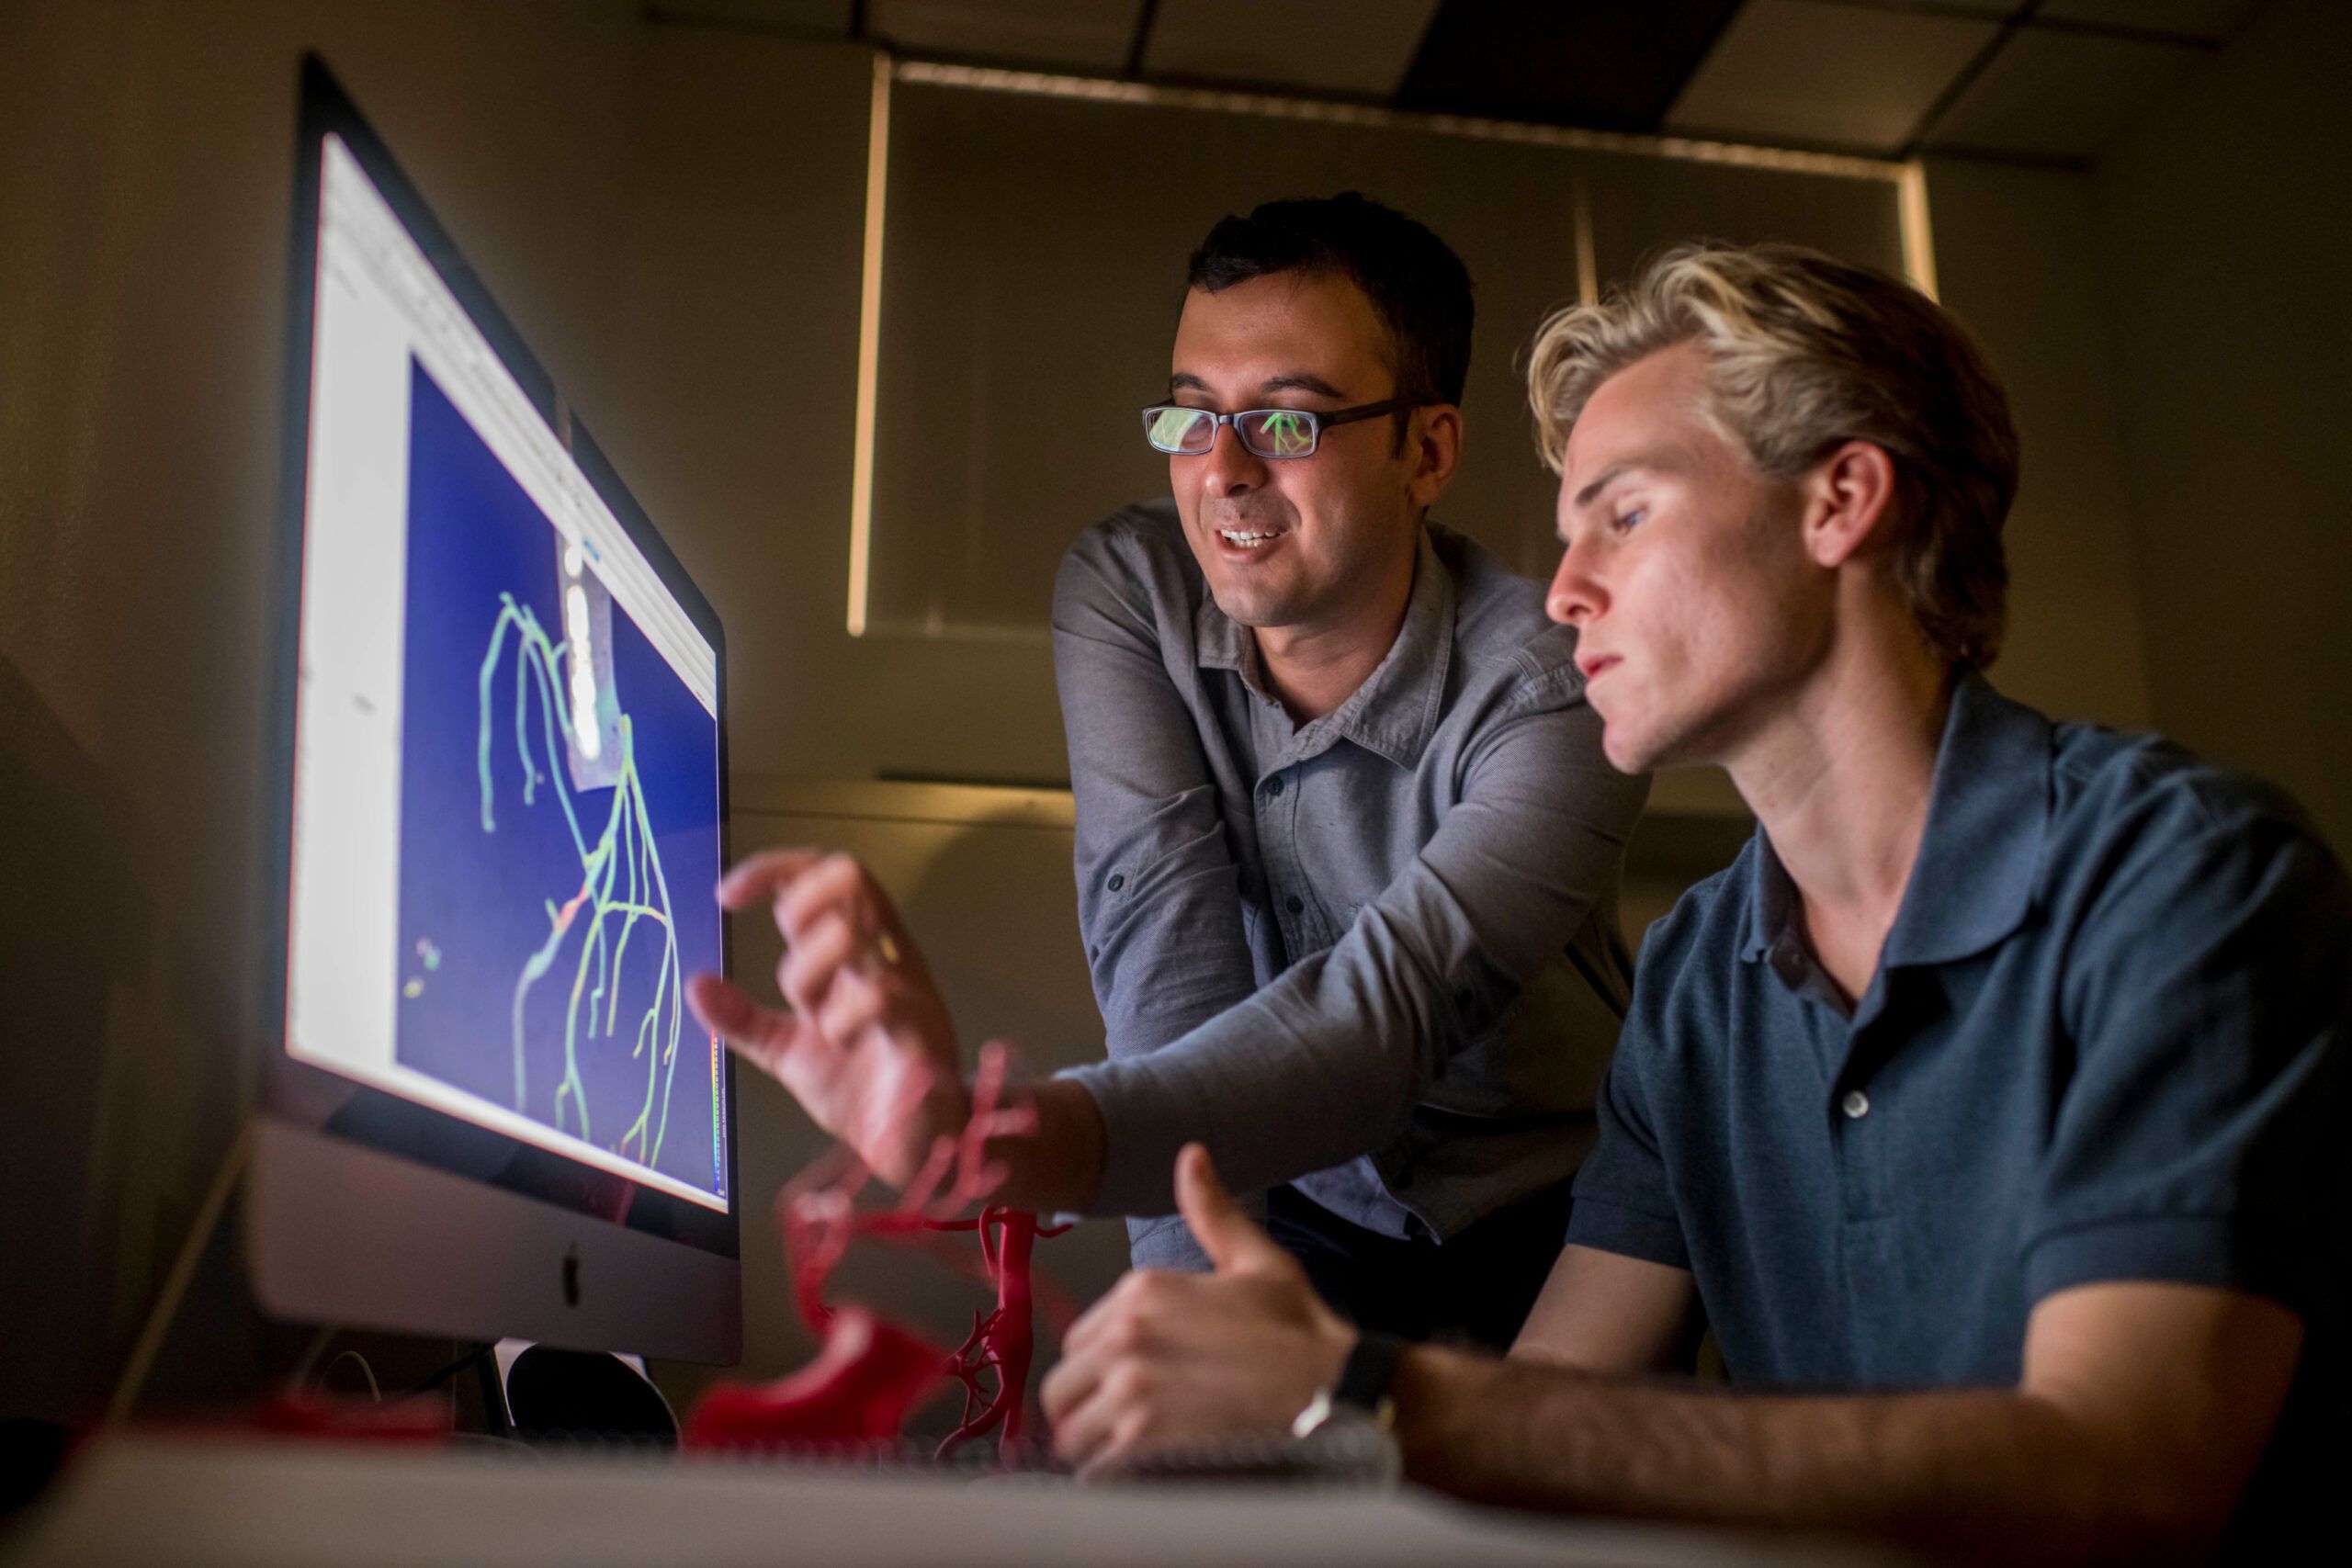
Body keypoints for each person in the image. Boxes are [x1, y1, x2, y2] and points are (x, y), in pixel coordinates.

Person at [1035, 243, 2348, 1562]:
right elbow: (1547, 1411)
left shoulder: (2186, 874)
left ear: (1840, 500)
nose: (1560, 593)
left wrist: (1364, 1394)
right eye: (1564, 534)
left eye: (1625, 514)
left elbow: (2127, 1469)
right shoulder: (1701, 973)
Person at [686, 194, 1648, 1348]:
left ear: (1426, 450)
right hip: (1284, 1188)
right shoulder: (1130, 587)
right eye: (1194, 418)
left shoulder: (1557, 682)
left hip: (1545, 1221)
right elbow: (1166, 960)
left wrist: (1005, 1138)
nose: (1224, 472)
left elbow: (1384, 1016)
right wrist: (1190, 1329)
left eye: (1286, 424)